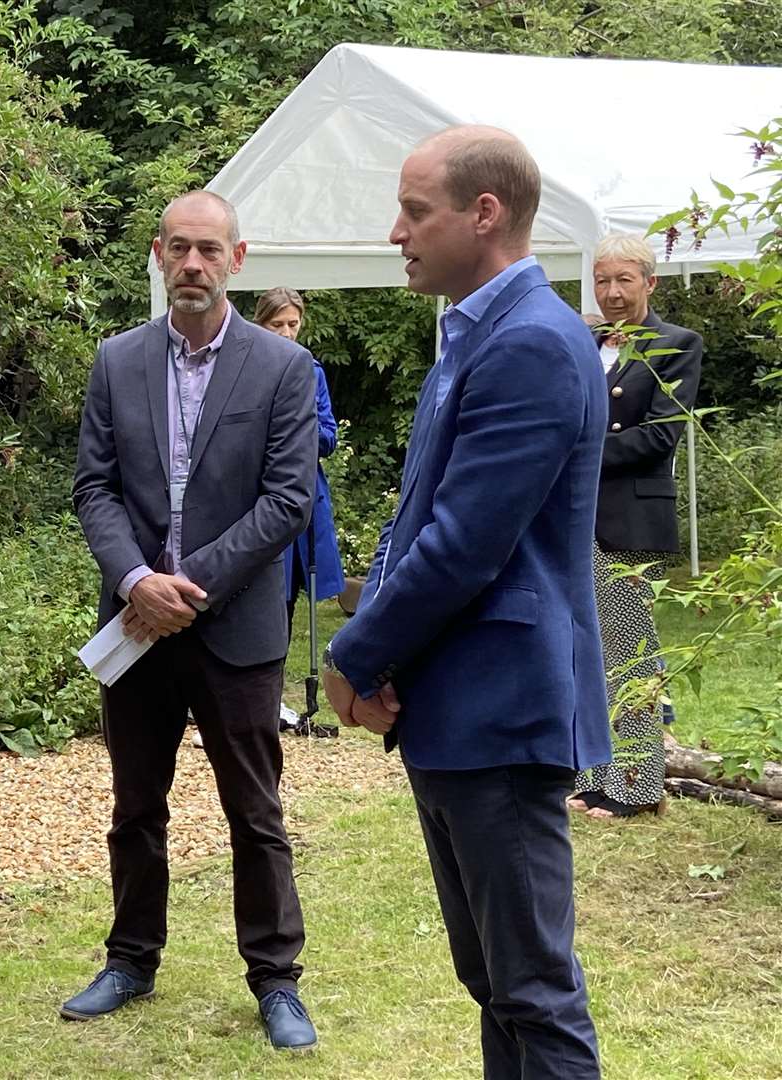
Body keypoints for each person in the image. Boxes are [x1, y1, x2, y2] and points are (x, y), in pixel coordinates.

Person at [323, 127, 609, 1079]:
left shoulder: (530, 342)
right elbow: (418, 521)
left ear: (484, 214)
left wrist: (353, 658)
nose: (395, 233)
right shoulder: (479, 332)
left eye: (414, 212)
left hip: (502, 712)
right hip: (459, 710)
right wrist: (384, 657)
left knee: (534, 992)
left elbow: (462, 547)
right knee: (496, 983)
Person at [69, 190, 321, 1050]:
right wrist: (137, 579)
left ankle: (276, 979)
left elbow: (288, 498)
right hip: (137, 629)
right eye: (179, 249)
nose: (193, 266)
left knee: (255, 812)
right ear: (156, 253)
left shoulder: (284, 369)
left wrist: (185, 583)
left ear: (237, 260)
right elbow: (93, 488)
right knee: (135, 806)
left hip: (234, 628)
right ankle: (131, 959)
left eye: (210, 251)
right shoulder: (116, 360)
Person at [570, 232, 703, 820]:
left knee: (629, 653)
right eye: (603, 280)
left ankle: (640, 785)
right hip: (573, 517)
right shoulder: (585, 339)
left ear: (650, 283)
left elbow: (659, 435)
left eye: (624, 280)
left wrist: (573, 451)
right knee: (584, 649)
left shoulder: (678, 344)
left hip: (627, 517)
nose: (612, 292)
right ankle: (595, 775)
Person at [255, 287, 344, 738]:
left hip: (303, 500)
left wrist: (302, 421)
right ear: (261, 324)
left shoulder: (312, 372)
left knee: (288, 595)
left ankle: (272, 702)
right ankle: (252, 698)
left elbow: (328, 436)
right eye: (278, 325)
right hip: (258, 502)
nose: (288, 332)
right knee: (260, 596)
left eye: (293, 324)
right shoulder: (248, 368)